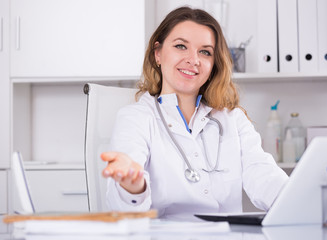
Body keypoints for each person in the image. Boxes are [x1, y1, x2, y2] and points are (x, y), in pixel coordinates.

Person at [101, 6, 288, 220]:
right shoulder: (136, 118)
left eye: (205, 52)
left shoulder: (232, 119)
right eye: (181, 46)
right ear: (158, 53)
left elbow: (262, 174)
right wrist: (133, 186)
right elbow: (124, 211)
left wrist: (296, 199)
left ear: (213, 65)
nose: (194, 59)